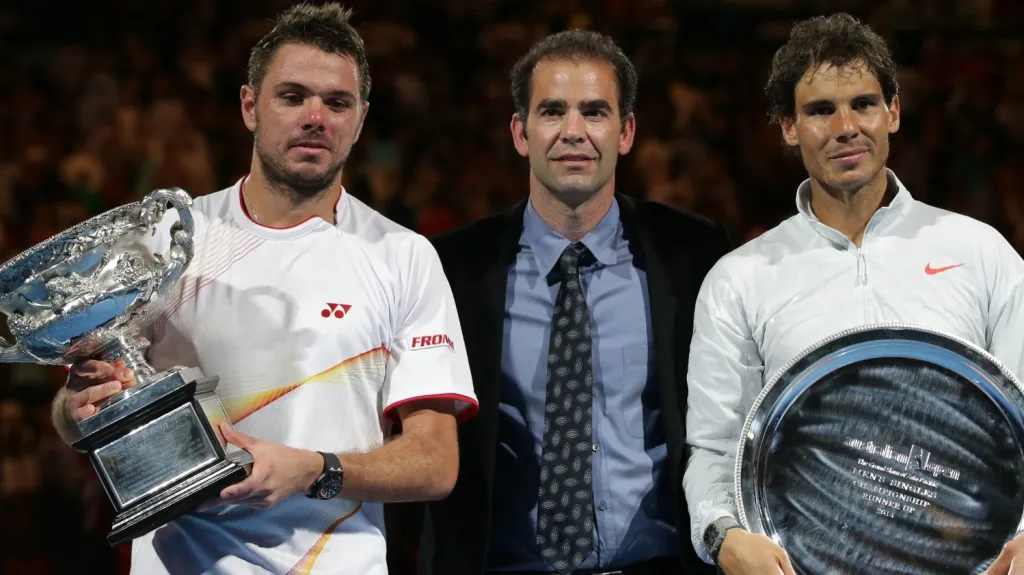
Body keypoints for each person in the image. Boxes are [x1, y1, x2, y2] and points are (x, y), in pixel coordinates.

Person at [49, 3, 477, 574]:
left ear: (361, 119)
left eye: (337, 102)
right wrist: (75, 405)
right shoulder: (167, 244)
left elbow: (434, 462)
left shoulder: (402, 256)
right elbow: (82, 408)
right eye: (292, 96)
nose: (315, 117)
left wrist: (314, 470)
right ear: (250, 105)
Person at [683, 12, 1024, 575]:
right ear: (788, 127)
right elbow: (717, 450)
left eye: (863, 104)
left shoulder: (981, 252)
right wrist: (724, 536)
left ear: (893, 110)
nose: (846, 127)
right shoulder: (739, 278)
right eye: (820, 110)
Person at [416, 29, 730, 575]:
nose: (573, 132)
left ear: (626, 131)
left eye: (595, 112)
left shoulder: (695, 256)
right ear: (520, 132)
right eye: (552, 111)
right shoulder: (453, 268)